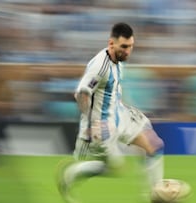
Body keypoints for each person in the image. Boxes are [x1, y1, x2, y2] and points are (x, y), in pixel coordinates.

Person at [56, 22, 165, 203]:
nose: (128, 51)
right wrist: (90, 123)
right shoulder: (100, 66)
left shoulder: (119, 60)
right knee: (115, 168)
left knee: (155, 146)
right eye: (124, 47)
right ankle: (72, 174)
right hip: (102, 125)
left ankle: (156, 197)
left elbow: (111, 90)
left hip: (119, 114)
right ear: (111, 43)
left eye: (130, 46)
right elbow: (82, 93)